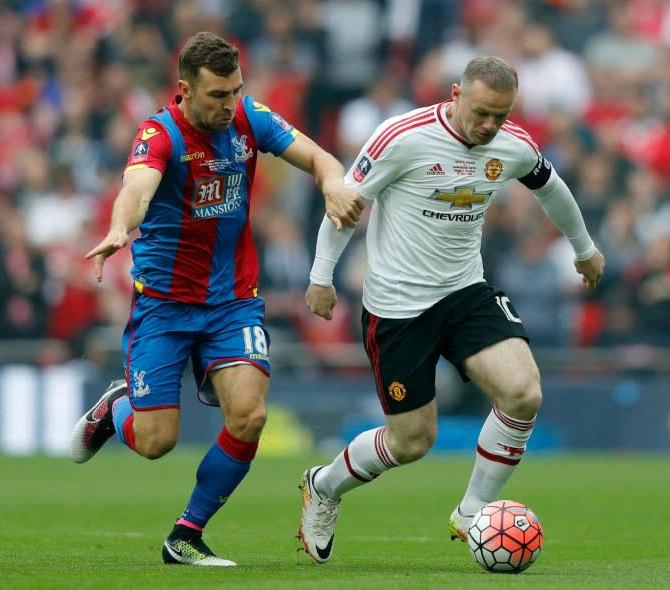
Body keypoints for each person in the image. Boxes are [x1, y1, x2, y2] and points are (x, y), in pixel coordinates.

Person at [69, 31, 364, 567]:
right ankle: (118, 411)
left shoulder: (250, 118)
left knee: (249, 416)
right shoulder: (159, 133)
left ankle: (186, 535)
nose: (230, 105)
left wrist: (332, 183)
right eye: (217, 95)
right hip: (163, 305)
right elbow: (136, 188)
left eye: (235, 91)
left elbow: (320, 157)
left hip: (233, 302)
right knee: (157, 440)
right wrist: (119, 229)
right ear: (184, 89)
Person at [297, 55, 605, 563]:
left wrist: (583, 247)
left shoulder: (513, 145)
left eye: (500, 116)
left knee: (524, 393)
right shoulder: (401, 136)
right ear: (456, 95)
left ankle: (472, 510)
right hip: (397, 308)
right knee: (412, 441)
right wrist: (320, 277)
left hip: (466, 292)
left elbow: (552, 189)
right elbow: (344, 205)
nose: (489, 126)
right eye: (481, 112)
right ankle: (324, 486)